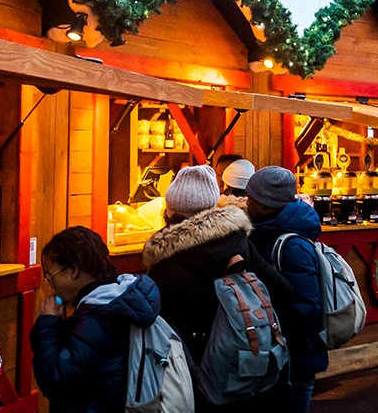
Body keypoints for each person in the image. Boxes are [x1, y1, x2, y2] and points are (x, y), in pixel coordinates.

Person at [141, 165, 292, 411]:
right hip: (245, 363)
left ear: (169, 211)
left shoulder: (162, 263)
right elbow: (284, 292)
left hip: (195, 374)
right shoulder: (239, 242)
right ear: (212, 205)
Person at [31, 226, 161, 413]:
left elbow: (56, 379)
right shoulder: (120, 298)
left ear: (73, 271)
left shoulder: (97, 320)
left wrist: (48, 323)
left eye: (51, 277)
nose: (51, 285)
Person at [245, 166, 326, 413]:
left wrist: (271, 328)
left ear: (266, 204)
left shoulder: (291, 247)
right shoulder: (264, 231)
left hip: (295, 356)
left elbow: (308, 308)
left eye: (251, 198)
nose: (246, 202)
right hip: (280, 354)